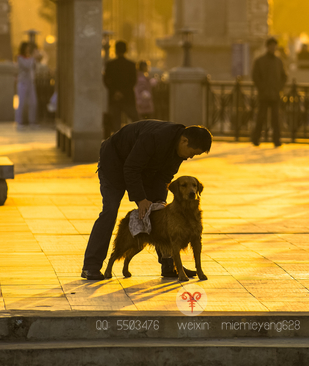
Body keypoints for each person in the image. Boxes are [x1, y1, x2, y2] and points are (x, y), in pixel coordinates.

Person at [81, 120, 212, 280]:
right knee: (110, 210)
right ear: (184, 141)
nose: (191, 157)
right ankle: (91, 266)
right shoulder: (154, 137)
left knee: (161, 212)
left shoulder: (179, 150)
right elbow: (131, 167)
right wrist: (141, 198)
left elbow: (164, 176)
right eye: (193, 152)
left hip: (144, 171)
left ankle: (169, 265)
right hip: (114, 164)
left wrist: (158, 202)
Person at [251, 37, 288, 147]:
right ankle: (256, 139)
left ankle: (277, 140)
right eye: (271, 45)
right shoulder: (260, 61)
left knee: (276, 119)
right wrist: (262, 87)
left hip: (275, 95)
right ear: (267, 47)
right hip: (264, 94)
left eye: (274, 46)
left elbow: (284, 76)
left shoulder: (279, 61)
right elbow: (255, 76)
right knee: (261, 118)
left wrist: (279, 87)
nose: (273, 48)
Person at [104, 40, 138, 135]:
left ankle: (118, 143)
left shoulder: (110, 65)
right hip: (128, 97)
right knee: (135, 119)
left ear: (115, 50)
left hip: (114, 98)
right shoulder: (131, 65)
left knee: (116, 125)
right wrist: (123, 92)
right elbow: (133, 81)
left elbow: (106, 81)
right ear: (126, 50)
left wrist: (115, 92)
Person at [15, 42, 37, 129]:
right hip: (22, 82)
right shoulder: (20, 58)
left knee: (33, 102)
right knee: (21, 103)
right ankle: (19, 122)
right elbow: (27, 66)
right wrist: (33, 58)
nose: (28, 49)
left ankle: (32, 121)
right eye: (27, 48)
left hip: (30, 83)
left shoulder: (31, 58)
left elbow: (34, 67)